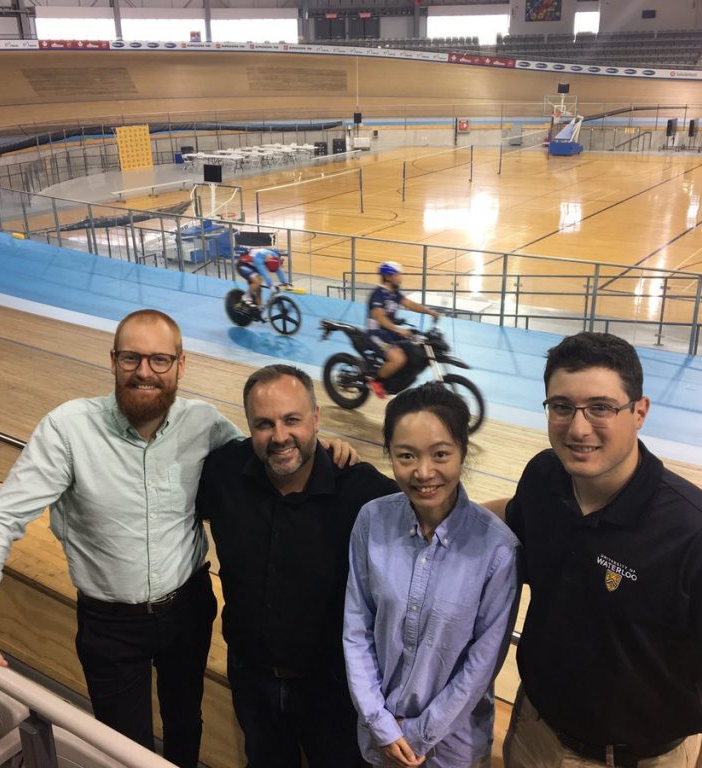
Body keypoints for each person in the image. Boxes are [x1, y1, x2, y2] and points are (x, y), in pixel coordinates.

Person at [0, 309, 355, 766]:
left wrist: (324, 446)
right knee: (123, 745)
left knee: (186, 722)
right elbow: (0, 522)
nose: (145, 371)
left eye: (160, 360)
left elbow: (267, 452)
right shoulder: (67, 429)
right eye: (132, 358)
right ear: (113, 361)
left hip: (189, 611)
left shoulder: (204, 424)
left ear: (181, 366)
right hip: (110, 626)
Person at [493, 332, 702, 768]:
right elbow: (510, 520)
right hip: (534, 732)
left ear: (639, 412)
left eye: (601, 407)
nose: (578, 427)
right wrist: (431, 506)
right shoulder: (543, 477)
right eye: (562, 406)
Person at [196, 364, 398, 768]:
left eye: (293, 420)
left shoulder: (361, 490)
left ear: (317, 419)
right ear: (250, 426)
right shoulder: (223, 473)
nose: (280, 436)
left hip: (335, 690)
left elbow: (432, 522)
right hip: (251, 679)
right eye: (264, 424)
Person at [344, 382, 520, 767]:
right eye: (406, 455)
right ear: (389, 453)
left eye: (440, 453)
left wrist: (419, 732)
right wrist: (381, 722)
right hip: (379, 739)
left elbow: (481, 665)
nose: (423, 472)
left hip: (452, 750)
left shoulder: (497, 549)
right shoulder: (371, 520)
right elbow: (356, 629)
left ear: (462, 452)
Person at [366, 261, 440, 399]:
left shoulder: (394, 293)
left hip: (389, 333)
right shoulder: (377, 294)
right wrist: (398, 329)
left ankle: (397, 379)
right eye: (397, 274)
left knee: (414, 347)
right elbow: (380, 317)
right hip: (376, 333)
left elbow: (410, 304)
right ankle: (375, 381)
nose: (400, 277)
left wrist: (429, 311)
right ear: (388, 277)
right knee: (398, 359)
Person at [236, 245, 289, 310]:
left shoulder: (275, 257)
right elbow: (265, 275)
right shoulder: (259, 260)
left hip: (253, 266)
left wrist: (285, 283)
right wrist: (272, 287)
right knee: (257, 281)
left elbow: (279, 271)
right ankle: (246, 297)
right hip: (243, 265)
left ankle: (259, 310)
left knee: (259, 290)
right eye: (267, 268)